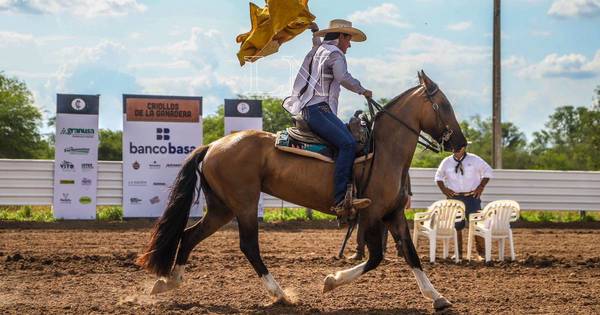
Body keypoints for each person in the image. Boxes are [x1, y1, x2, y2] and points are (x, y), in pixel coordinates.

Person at [283, 19, 373, 214]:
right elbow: (342, 77)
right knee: (348, 143)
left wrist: (314, 31)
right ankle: (340, 199)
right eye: (349, 39)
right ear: (341, 36)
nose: (349, 44)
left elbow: (316, 44)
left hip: (310, 108)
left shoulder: (321, 49)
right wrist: (362, 90)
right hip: (319, 109)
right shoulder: (336, 54)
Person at [435, 145, 492, 260]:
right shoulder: (446, 162)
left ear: (464, 147)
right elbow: (438, 177)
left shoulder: (474, 159)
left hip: (471, 197)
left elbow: (488, 171)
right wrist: (444, 190)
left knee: (477, 224)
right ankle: (458, 253)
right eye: (453, 147)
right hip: (454, 198)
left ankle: (481, 253)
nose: (455, 149)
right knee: (457, 225)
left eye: (458, 146)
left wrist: (480, 187)